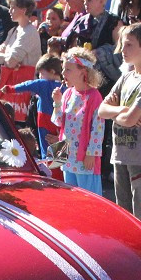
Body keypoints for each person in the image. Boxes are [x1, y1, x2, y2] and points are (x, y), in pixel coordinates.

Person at [98, 23, 141, 234]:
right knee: (123, 212)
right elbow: (102, 109)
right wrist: (121, 111)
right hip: (120, 154)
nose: (122, 51)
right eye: (122, 45)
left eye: (128, 45)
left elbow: (132, 118)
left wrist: (119, 113)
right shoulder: (126, 77)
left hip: (140, 156)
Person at [51, 49, 106, 193]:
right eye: (63, 69)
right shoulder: (68, 94)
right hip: (68, 157)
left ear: (83, 71)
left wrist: (91, 154)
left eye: (68, 69)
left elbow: (98, 128)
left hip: (84, 159)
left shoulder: (94, 96)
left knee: (89, 196)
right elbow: (58, 122)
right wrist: (57, 102)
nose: (63, 73)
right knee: (72, 196)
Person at [13, 53, 63, 156]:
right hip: (57, 131)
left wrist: (10, 88)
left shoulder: (44, 85)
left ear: (52, 72)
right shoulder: (65, 88)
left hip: (49, 126)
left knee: (49, 157)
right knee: (57, 160)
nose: (39, 77)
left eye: (41, 74)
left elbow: (26, 85)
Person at [0, 0, 41, 69]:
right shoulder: (13, 31)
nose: (9, 11)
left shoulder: (29, 32)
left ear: (24, 10)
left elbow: (11, 62)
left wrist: (3, 56)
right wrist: (6, 57)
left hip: (26, 80)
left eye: (13, 8)